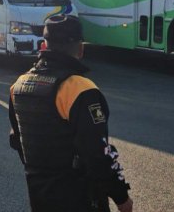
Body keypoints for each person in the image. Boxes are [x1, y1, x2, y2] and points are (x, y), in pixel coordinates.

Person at [9, 15, 133, 212]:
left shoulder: (19, 86)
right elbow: (96, 154)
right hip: (80, 198)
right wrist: (121, 197)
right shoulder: (81, 89)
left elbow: (18, 141)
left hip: (39, 195)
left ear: (43, 45)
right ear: (81, 48)